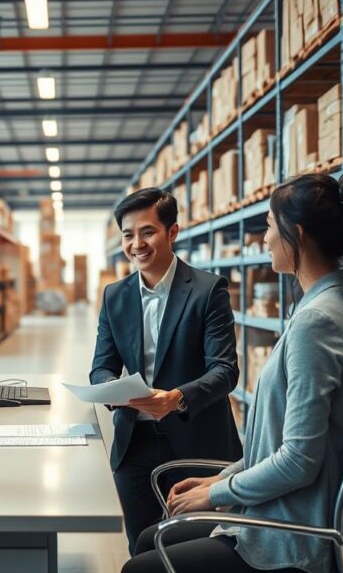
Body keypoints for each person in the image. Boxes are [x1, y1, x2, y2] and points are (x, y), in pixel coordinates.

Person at [124, 172, 343, 573]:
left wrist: (217, 494)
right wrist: (221, 481)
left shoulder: (317, 322)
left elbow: (298, 460)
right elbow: (279, 446)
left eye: (268, 226)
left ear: (295, 234)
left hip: (287, 532)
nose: (263, 239)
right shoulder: (335, 304)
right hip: (286, 510)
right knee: (150, 538)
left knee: (139, 565)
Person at [91, 187, 242, 554]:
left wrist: (176, 399)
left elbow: (225, 370)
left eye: (147, 232)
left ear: (172, 233)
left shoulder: (208, 290)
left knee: (191, 551)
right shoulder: (115, 295)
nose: (136, 244)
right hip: (135, 443)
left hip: (196, 442)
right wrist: (114, 390)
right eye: (128, 235)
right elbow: (101, 367)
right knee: (141, 549)